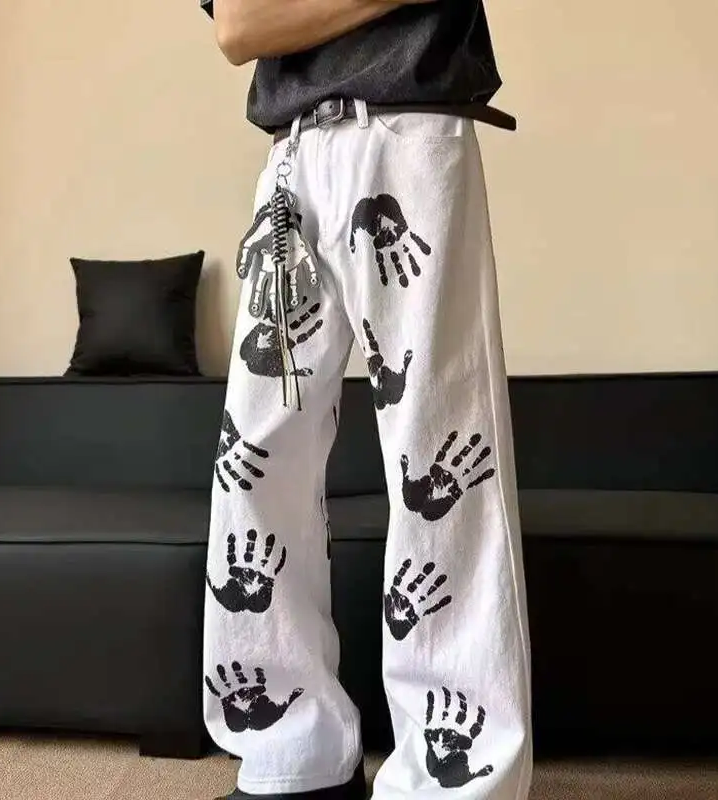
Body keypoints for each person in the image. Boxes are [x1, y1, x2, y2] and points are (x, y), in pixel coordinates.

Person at [199, 1, 533, 798]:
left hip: (412, 133)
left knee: (439, 458)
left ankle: (454, 780)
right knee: (256, 464)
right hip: (292, 159)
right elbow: (238, 28)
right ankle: (292, 754)